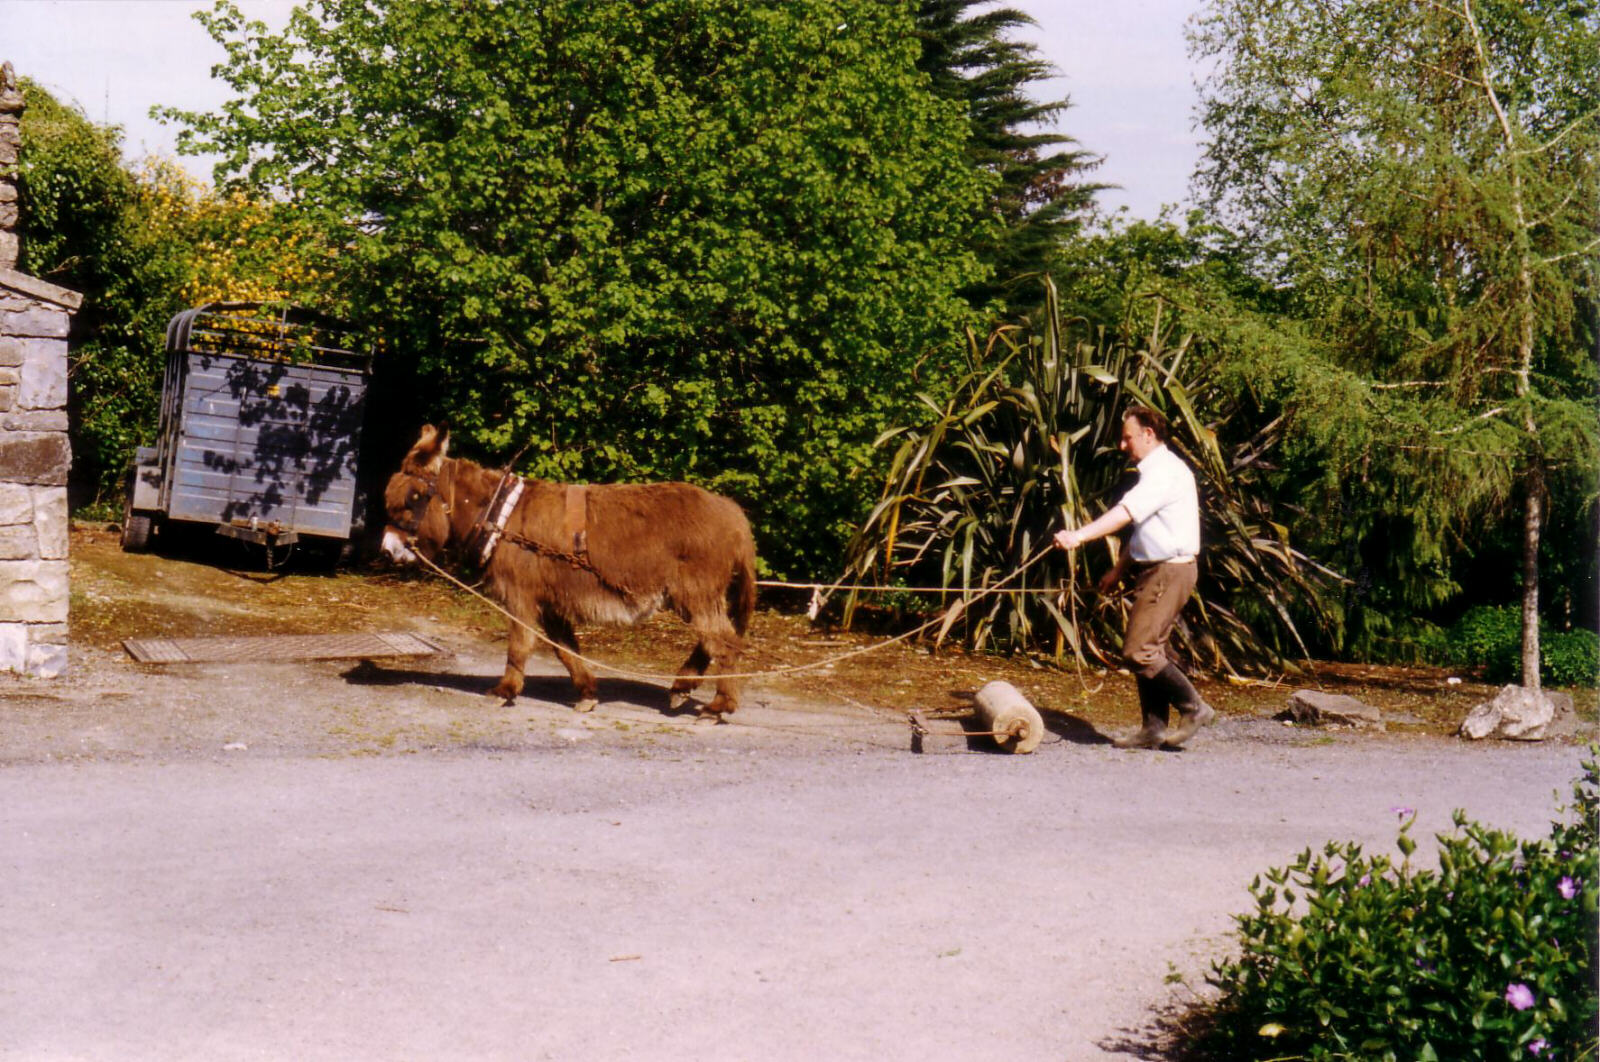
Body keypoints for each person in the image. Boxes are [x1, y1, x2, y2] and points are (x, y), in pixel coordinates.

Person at [1054, 405, 1215, 749]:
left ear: (1148, 434)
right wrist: (1118, 569)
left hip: (1169, 571)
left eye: (1128, 438)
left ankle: (1194, 707)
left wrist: (1077, 537)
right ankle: (1152, 730)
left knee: (1139, 651)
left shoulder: (1165, 473)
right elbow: (1144, 529)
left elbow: (1124, 514)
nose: (1123, 445)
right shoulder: (1155, 473)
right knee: (1150, 649)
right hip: (1157, 570)